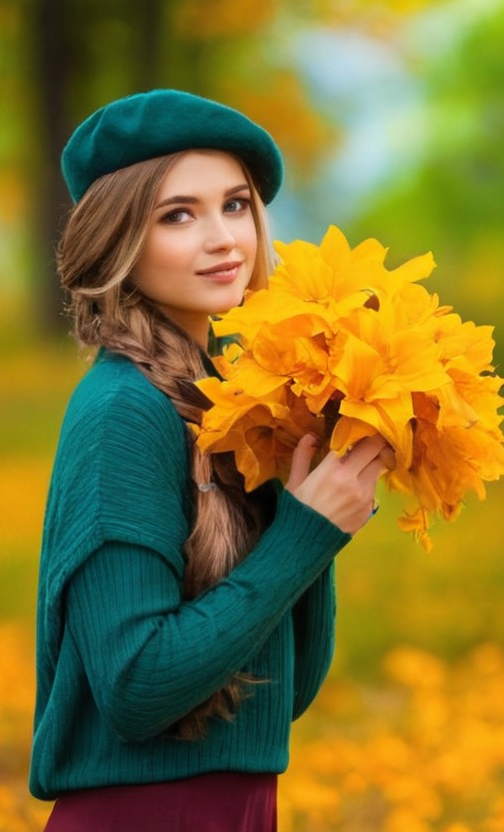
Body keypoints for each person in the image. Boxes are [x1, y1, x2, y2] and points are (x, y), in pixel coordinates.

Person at [31, 89, 389, 831]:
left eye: (235, 206)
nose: (224, 239)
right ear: (119, 238)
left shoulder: (228, 404)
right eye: (178, 215)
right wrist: (303, 535)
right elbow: (135, 688)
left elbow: (284, 692)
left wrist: (308, 517)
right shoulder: (125, 411)